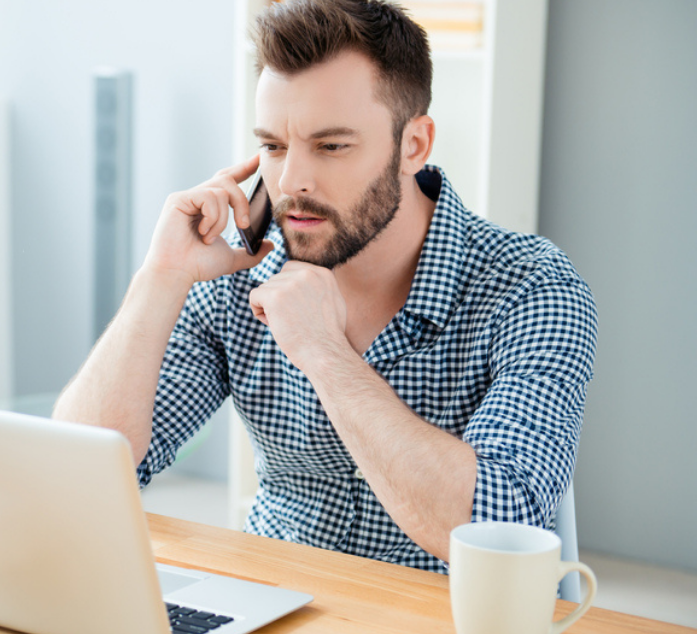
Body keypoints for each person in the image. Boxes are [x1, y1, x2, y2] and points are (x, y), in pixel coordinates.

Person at [53, 0, 597, 573]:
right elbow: (79, 477)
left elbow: (504, 527)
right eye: (274, 145)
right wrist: (160, 276)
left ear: (414, 145)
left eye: (331, 146)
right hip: (273, 597)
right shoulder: (235, 272)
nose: (291, 182)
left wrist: (324, 352)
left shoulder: (532, 288)